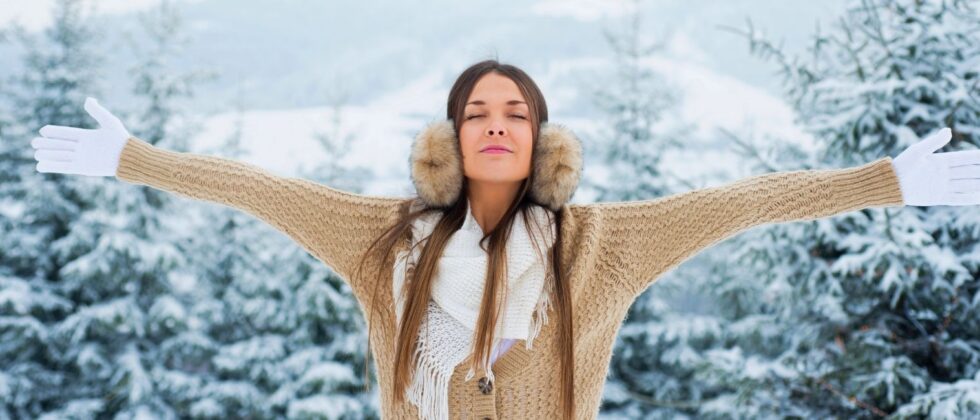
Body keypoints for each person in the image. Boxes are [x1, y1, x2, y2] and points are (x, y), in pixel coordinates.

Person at [31, 59, 975, 419]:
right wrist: (133, 159)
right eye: (476, 112)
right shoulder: (383, 242)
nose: (495, 124)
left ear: (539, 140)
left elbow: (743, 203)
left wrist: (884, 183)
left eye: (515, 113)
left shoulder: (601, 243)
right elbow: (257, 190)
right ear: (448, 139)